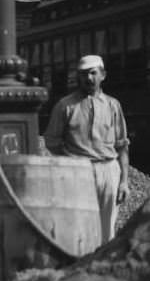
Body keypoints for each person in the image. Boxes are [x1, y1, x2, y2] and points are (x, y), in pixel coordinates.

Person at [44, 54, 130, 243]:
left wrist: (124, 181)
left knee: (107, 227)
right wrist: (71, 162)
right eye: (83, 74)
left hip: (109, 170)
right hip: (79, 171)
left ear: (103, 75)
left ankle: (101, 268)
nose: (88, 78)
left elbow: (122, 145)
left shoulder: (113, 105)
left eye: (92, 73)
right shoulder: (65, 105)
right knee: (79, 227)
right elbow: (51, 141)